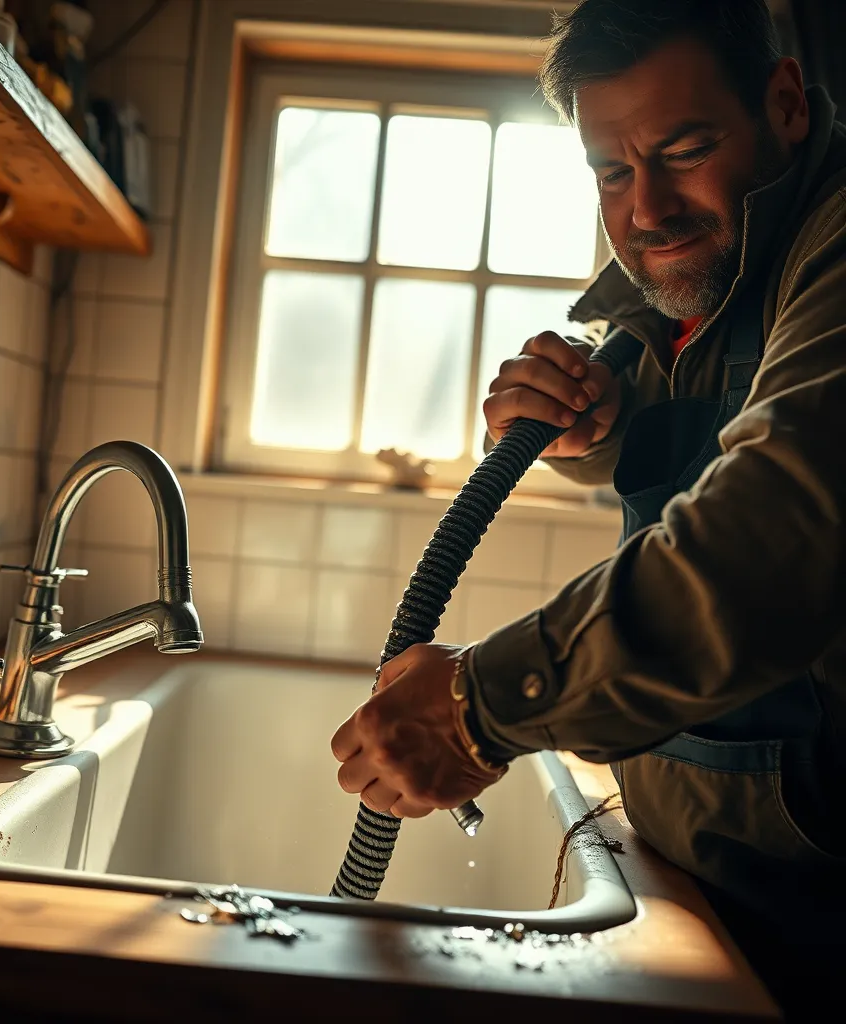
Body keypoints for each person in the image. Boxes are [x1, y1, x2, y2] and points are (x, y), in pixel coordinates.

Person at [330, 0, 846, 1015]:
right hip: (731, 892)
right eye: (612, 173)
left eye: (684, 150)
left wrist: (479, 708)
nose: (645, 207)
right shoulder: (714, 270)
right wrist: (600, 431)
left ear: (784, 104)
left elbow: (773, 533)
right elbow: (714, 444)